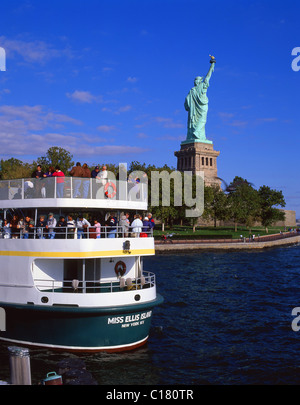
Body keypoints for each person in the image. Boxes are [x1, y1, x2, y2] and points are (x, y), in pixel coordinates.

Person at [184, 57, 216, 143]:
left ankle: (196, 134)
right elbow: (208, 76)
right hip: (202, 108)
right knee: (202, 121)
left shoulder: (192, 91)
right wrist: (212, 65)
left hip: (194, 111)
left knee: (195, 122)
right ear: (199, 81)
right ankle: (197, 133)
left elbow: (186, 105)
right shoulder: (202, 86)